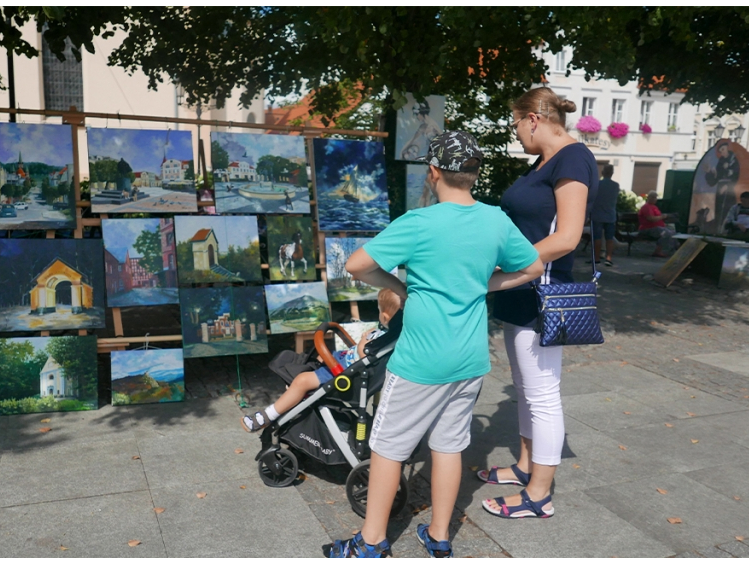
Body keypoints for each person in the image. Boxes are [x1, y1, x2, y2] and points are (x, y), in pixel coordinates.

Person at [327, 131, 543, 557]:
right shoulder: (496, 220)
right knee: (449, 445)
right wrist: (486, 283)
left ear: (433, 172)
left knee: (387, 448)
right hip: (469, 359)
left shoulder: (419, 222)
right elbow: (533, 266)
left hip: (420, 361)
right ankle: (440, 536)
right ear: (475, 174)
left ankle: (371, 541)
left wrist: (397, 285)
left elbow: (356, 265)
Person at [484, 87, 598, 520]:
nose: (516, 133)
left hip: (541, 294)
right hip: (521, 291)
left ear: (532, 118)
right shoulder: (545, 161)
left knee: (543, 395)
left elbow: (566, 237)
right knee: (528, 392)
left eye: (515, 123)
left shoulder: (573, 158)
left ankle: (540, 494)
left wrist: (504, 275)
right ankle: (526, 466)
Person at [239, 288, 401, 433]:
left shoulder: (381, 339)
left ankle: (266, 417)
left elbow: (365, 354)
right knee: (310, 362)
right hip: (346, 364)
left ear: (385, 317)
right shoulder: (391, 334)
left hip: (345, 375)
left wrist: (363, 342)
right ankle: (297, 398)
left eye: (379, 310)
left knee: (301, 380)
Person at [704, 140, 741, 234]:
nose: (722, 152)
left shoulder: (734, 160)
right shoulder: (721, 161)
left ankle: (726, 230)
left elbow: (735, 176)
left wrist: (727, 186)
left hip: (729, 191)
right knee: (719, 210)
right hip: (720, 189)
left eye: (723, 149)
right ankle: (718, 230)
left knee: (727, 210)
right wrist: (709, 172)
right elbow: (715, 179)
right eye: (720, 151)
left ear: (728, 148)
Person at [591, 164, 620, 267]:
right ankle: (609, 258)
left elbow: (591, 198)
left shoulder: (597, 184)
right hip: (610, 214)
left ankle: (597, 258)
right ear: (612, 173)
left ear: (602, 173)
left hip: (597, 214)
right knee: (609, 238)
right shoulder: (616, 186)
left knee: (597, 237)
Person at [638, 191, 679, 258]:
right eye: (653, 197)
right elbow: (651, 219)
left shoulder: (654, 207)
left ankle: (675, 249)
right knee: (666, 233)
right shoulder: (646, 207)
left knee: (673, 232)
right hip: (647, 229)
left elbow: (658, 217)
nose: (654, 199)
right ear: (648, 197)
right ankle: (658, 251)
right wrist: (663, 216)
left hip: (657, 228)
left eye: (655, 197)